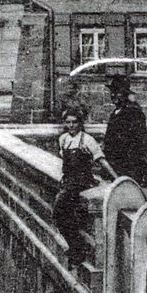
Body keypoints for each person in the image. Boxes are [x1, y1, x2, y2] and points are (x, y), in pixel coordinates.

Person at [53, 111, 106, 266]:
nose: (71, 125)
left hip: (82, 182)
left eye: (74, 122)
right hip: (68, 181)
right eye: (68, 122)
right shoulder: (63, 139)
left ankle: (77, 249)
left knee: (59, 211)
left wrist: (116, 177)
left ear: (80, 123)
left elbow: (100, 160)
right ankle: (75, 248)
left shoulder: (87, 140)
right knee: (65, 216)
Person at [101, 75, 147, 187]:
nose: (113, 95)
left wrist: (140, 166)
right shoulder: (114, 113)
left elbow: (141, 141)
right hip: (114, 163)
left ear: (125, 94)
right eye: (112, 92)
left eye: (117, 92)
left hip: (128, 164)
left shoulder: (134, 113)